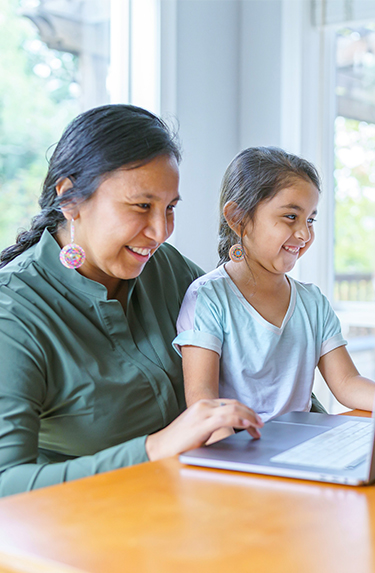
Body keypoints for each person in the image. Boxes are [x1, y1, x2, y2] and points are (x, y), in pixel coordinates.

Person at [0, 105, 264, 497]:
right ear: (70, 200)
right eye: (142, 206)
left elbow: (259, 355)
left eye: (170, 207)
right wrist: (155, 448)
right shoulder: (15, 313)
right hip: (84, 535)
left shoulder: (168, 269)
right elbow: (7, 482)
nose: (160, 232)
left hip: (201, 507)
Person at [173, 146, 375, 444]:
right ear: (238, 218)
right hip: (238, 452)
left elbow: (346, 383)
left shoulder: (313, 303)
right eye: (291, 216)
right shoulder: (209, 298)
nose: (305, 234)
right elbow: (204, 403)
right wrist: (232, 464)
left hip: (304, 446)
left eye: (310, 220)